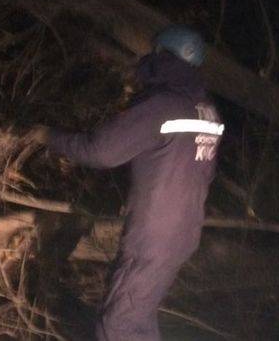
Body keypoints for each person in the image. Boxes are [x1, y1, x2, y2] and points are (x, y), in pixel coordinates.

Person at [35, 25, 223, 341]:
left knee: (117, 325)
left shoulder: (161, 106)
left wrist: (48, 137)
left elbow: (100, 152)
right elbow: (200, 171)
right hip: (184, 232)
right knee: (138, 316)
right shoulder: (208, 112)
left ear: (163, 56)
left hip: (153, 238)